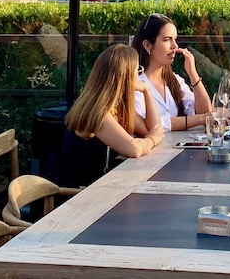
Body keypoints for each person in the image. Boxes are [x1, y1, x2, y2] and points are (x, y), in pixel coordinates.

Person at [47, 44, 166, 187]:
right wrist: (152, 139)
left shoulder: (116, 106)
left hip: (99, 186)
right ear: (126, 77)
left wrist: (147, 91)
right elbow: (134, 149)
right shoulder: (97, 112)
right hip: (77, 196)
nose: (139, 75)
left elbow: (153, 128)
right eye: (137, 70)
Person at [132, 13, 213, 132]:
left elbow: (205, 112)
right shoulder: (135, 84)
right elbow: (150, 125)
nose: (175, 46)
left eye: (175, 39)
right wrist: (200, 119)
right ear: (148, 45)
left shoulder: (174, 80)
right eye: (167, 40)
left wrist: (193, 74)